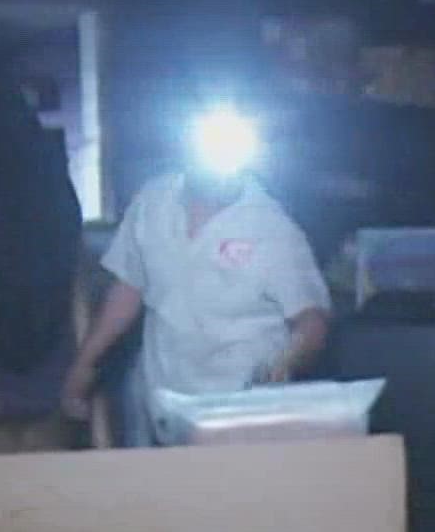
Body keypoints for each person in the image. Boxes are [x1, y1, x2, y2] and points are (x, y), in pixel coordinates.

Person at [61, 106, 331, 437]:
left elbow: (311, 320)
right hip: (164, 408)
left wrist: (286, 362)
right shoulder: (152, 202)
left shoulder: (272, 227)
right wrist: (83, 364)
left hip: (243, 417)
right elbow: (128, 289)